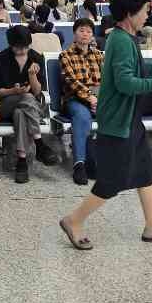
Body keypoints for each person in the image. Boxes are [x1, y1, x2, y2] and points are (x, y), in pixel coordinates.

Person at [58, 0, 152, 250]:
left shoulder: (126, 38)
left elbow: (133, 66)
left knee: (143, 169)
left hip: (130, 118)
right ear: (130, 13)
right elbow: (125, 82)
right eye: (144, 10)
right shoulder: (120, 41)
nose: (147, 16)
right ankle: (74, 220)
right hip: (118, 121)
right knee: (113, 180)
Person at [0, 26, 59, 183]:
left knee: (20, 113)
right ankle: (39, 144)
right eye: (18, 47)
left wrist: (32, 75)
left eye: (25, 47)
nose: (22, 51)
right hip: (4, 105)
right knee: (26, 97)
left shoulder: (36, 57)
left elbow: (37, 91)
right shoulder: (0, 59)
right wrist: (14, 91)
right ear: (11, 45)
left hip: (28, 108)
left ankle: (22, 161)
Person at [59, 18, 104, 185]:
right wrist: (90, 97)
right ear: (74, 33)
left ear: (92, 35)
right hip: (74, 98)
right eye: (81, 30)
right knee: (82, 116)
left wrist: (100, 100)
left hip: (98, 97)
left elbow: (107, 79)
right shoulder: (66, 55)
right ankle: (79, 164)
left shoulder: (98, 55)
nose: (85, 34)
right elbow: (71, 81)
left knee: (118, 113)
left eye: (89, 31)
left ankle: (101, 160)